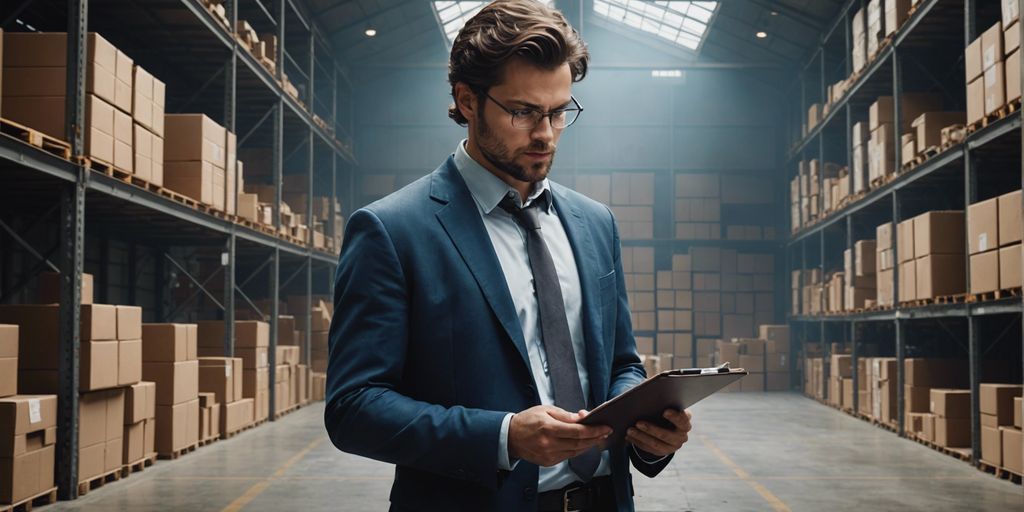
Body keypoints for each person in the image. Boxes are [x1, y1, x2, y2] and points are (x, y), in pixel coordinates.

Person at [324, 1, 692, 510]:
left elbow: (620, 364)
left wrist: (651, 434)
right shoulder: (392, 230)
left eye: (560, 111)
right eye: (523, 111)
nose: (545, 133)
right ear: (467, 100)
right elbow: (353, 408)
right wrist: (502, 436)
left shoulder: (594, 223)